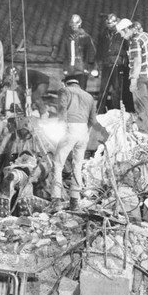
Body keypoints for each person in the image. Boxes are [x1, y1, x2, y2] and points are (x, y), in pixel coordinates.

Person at [50, 76, 99, 212]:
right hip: (83, 132)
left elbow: (62, 110)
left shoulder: (64, 90)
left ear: (65, 83)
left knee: (58, 164)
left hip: (70, 129)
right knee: (77, 166)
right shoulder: (89, 96)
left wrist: (61, 127)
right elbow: (93, 120)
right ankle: (74, 202)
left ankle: (56, 200)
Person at [116, 18, 148, 134]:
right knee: (146, 103)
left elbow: (137, 62)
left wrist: (133, 81)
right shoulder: (145, 35)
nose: (121, 36)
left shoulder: (134, 41)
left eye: (121, 33)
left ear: (126, 30)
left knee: (140, 105)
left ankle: (144, 131)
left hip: (140, 77)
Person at [96, 13, 127, 113]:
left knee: (116, 89)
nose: (110, 25)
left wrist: (124, 62)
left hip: (117, 64)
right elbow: (99, 50)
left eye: (112, 23)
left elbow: (127, 49)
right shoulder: (103, 34)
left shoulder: (121, 34)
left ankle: (116, 111)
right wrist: (98, 63)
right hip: (106, 64)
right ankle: (99, 110)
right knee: (103, 89)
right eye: (108, 23)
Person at [62, 14, 96, 90]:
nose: (74, 26)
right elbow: (64, 54)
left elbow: (91, 52)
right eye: (72, 24)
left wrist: (88, 67)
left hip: (82, 68)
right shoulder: (67, 38)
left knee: (81, 90)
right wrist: (65, 68)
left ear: (80, 24)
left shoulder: (86, 37)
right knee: (70, 90)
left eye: (76, 24)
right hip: (70, 69)